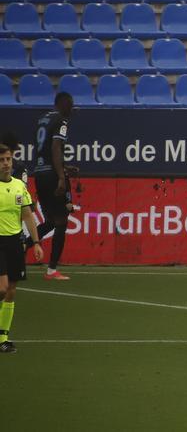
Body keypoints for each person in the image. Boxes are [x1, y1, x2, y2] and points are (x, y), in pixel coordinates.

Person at [0, 144, 44, 353]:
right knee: (1, 288)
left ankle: (3, 337)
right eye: (2, 160)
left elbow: (27, 215)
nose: (6, 164)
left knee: (11, 291)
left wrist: (36, 242)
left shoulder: (19, 185)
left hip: (14, 242)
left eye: (8, 159)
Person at [31, 92, 79, 281]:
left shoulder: (43, 119)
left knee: (50, 221)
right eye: (71, 104)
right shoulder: (62, 121)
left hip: (40, 173)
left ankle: (21, 246)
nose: (72, 109)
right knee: (61, 221)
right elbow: (55, 147)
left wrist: (65, 167)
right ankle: (52, 270)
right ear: (63, 104)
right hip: (52, 175)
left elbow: (44, 150)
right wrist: (61, 176)